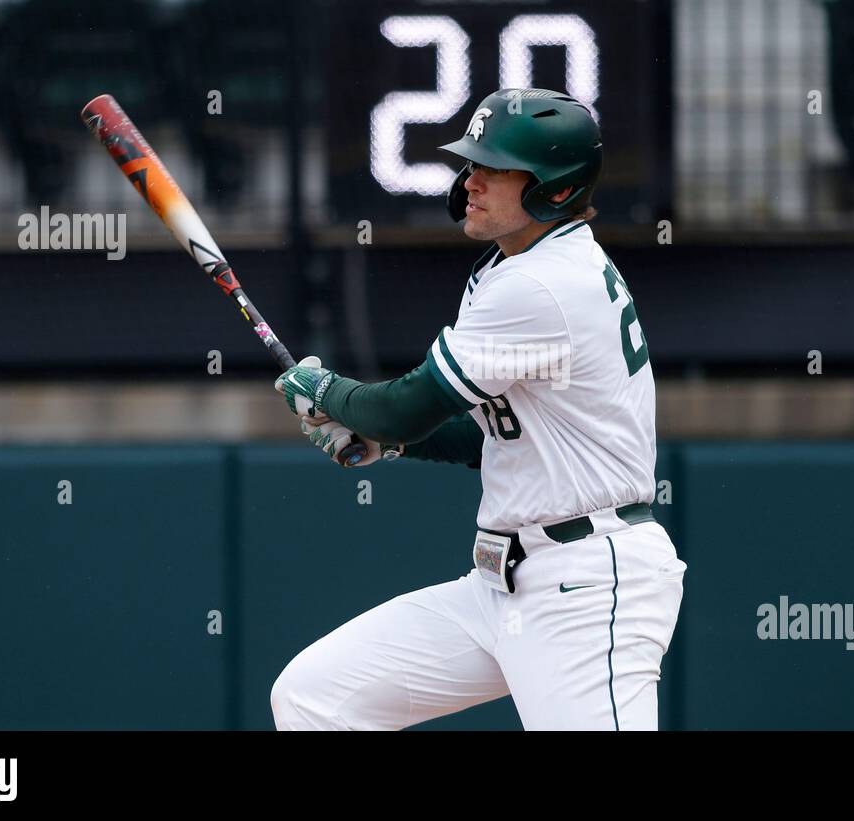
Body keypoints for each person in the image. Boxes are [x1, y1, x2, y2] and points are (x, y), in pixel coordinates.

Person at [269, 88, 686, 730]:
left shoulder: (541, 284)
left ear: (553, 188)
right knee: (313, 697)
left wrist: (328, 393)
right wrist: (389, 440)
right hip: (503, 586)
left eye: (495, 168)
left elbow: (408, 405)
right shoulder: (516, 267)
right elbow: (491, 434)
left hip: (586, 586)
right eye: (472, 164)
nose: (472, 181)